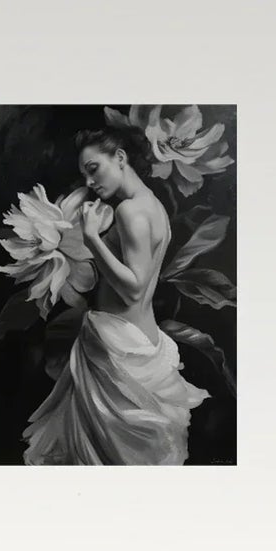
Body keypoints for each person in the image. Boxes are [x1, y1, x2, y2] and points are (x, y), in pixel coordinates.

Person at [21, 129, 208, 466]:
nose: (90, 181)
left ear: (120, 158)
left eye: (94, 168)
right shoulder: (154, 206)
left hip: (119, 346)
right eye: (84, 174)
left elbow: (134, 287)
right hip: (141, 340)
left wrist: (92, 238)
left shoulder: (129, 212)